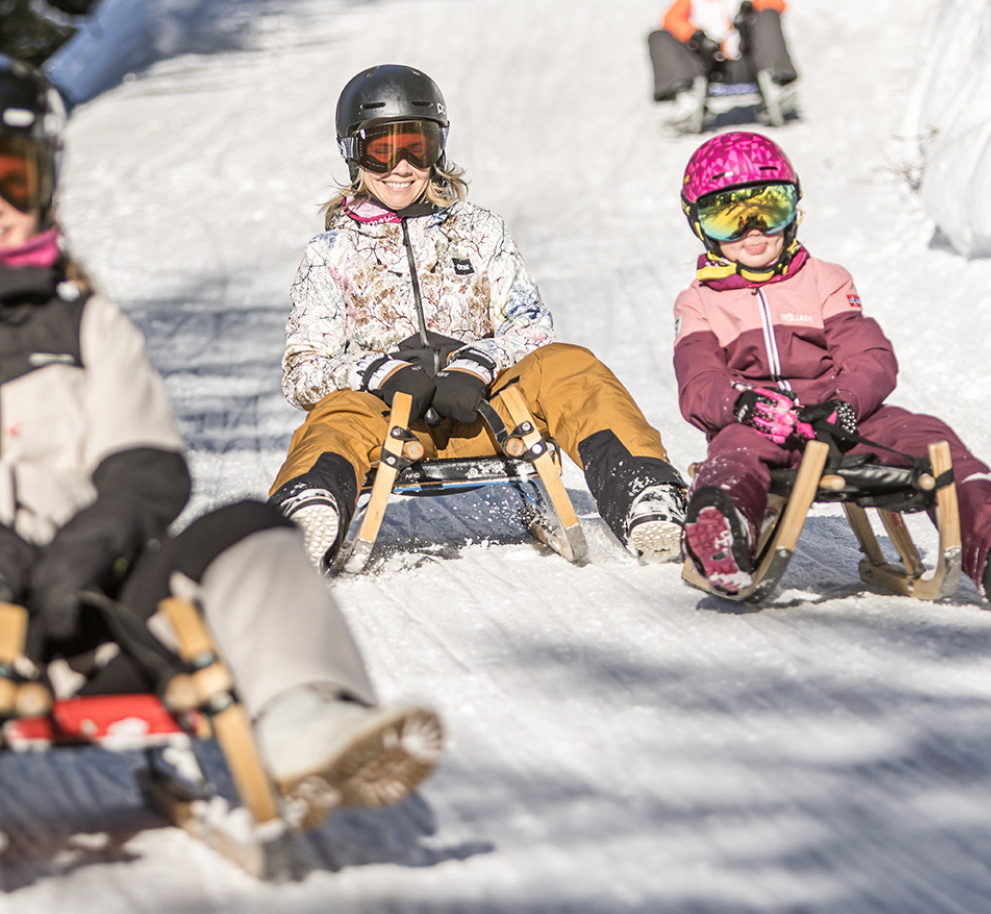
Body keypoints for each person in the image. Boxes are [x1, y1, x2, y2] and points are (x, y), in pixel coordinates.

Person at [0, 53, 441, 835]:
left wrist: (88, 544)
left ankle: (309, 719)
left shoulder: (88, 327)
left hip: (87, 609)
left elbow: (147, 467)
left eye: (18, 179)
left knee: (255, 533)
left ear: (47, 185)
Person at [271, 64, 687, 568]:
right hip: (390, 425)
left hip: (489, 412)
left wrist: (478, 362)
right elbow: (303, 371)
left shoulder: (481, 231)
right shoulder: (329, 254)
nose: (402, 166)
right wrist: (379, 372)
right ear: (353, 152)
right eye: (382, 149)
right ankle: (307, 512)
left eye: (417, 147)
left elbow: (530, 323)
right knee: (335, 414)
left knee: (569, 366)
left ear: (437, 149)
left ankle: (646, 494)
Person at [669, 132, 991, 604]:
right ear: (701, 225)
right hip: (761, 428)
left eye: (768, 209)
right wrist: (743, 406)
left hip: (845, 422)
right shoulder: (698, 303)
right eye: (728, 217)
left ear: (794, 210)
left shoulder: (825, 279)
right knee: (733, 454)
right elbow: (699, 382)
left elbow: (869, 356)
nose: (753, 230)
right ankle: (724, 538)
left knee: (928, 435)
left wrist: (846, 404)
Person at [647, 0, 798, 104]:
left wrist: (750, 7)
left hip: (748, 61)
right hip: (710, 66)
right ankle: (685, 97)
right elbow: (670, 19)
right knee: (659, 36)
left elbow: (779, 3)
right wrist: (696, 36)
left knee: (768, 15)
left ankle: (775, 82)